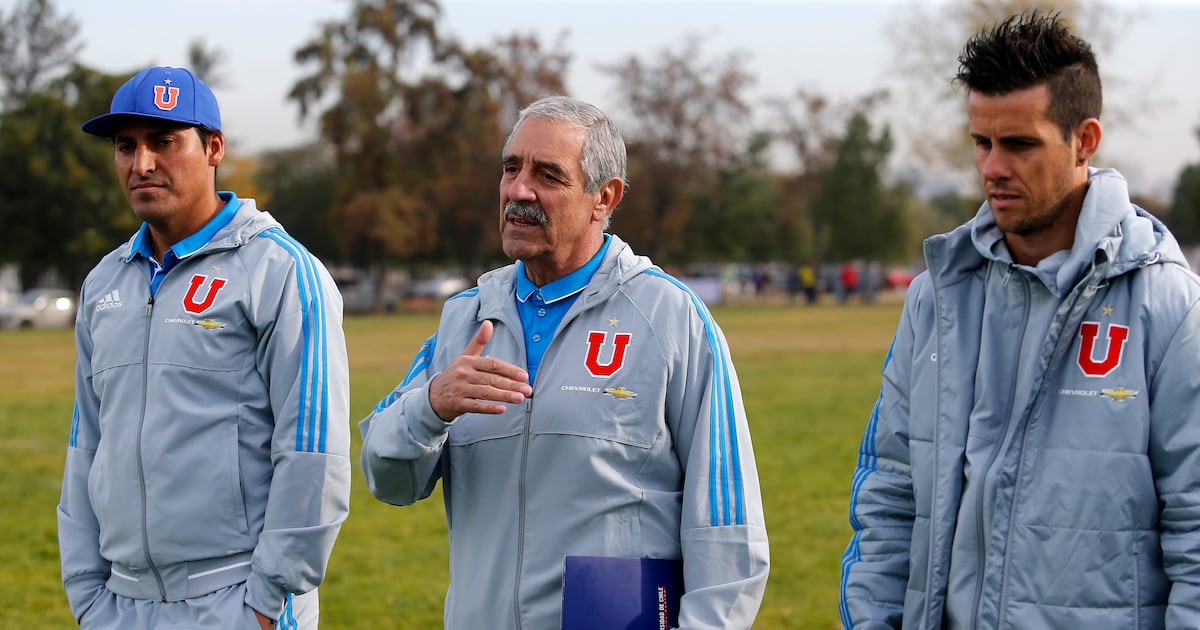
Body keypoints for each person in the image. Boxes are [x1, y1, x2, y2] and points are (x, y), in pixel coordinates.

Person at [840, 11, 1200, 628]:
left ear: (1085, 140)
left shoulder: (1169, 307)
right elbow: (890, 495)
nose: (992, 168)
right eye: (982, 143)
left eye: (1020, 144)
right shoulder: (935, 298)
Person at [359, 95, 769, 629]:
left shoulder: (668, 317)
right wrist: (430, 407)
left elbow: (728, 528)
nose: (518, 190)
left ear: (605, 196)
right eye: (511, 168)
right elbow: (387, 480)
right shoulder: (464, 320)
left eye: (547, 174)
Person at [57, 66, 351, 629]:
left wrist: (268, 601)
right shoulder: (104, 284)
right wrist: (88, 596)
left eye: (164, 142)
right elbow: (85, 447)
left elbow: (315, 455)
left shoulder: (281, 271)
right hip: (119, 606)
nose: (141, 164)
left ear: (213, 148)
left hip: (235, 600)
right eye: (126, 147)